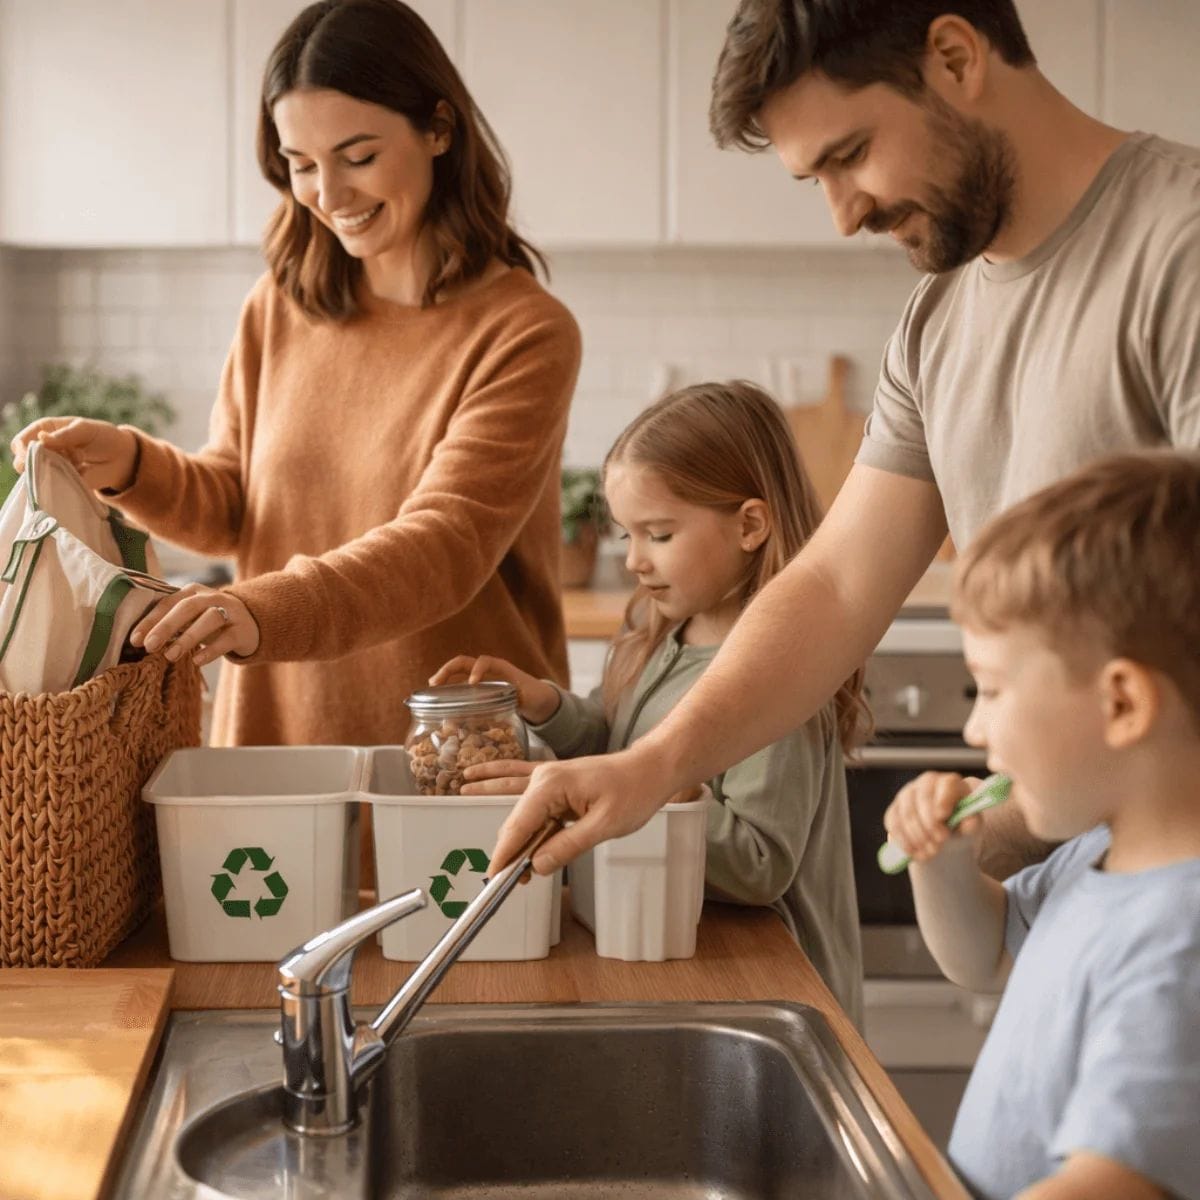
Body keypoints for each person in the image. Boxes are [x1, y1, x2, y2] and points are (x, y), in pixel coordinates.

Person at [489, 0, 1200, 879]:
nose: (842, 212)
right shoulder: (938, 319)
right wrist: (652, 767)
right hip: (1065, 902)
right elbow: (834, 586)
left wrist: (1016, 819)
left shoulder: (1180, 252)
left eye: (851, 154)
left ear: (954, 57)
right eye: (815, 178)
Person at [11, 0, 581, 751]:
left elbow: (445, 545)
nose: (328, 196)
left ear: (439, 130)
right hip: (279, 734)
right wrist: (131, 465)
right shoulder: (280, 303)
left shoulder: (524, 330)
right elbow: (237, 509)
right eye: (302, 164)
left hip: (457, 749)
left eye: (358, 157)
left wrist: (258, 612)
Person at [432, 381, 867, 1024]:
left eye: (658, 534)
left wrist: (609, 805)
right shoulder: (659, 630)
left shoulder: (778, 681)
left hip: (769, 987)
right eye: (625, 534)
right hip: (674, 958)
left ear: (750, 526)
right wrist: (547, 705)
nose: (634, 560)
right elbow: (618, 748)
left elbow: (759, 864)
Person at [882, 450, 1200, 1200]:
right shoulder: (1098, 853)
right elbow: (984, 957)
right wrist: (945, 865)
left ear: (1121, 704)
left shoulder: (1180, 940)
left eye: (991, 690)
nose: (973, 729)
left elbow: (1114, 1182)